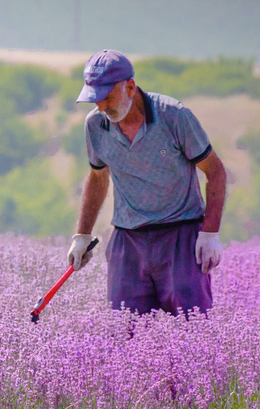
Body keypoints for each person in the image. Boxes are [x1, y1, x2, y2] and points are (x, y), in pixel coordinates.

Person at [67, 49, 227, 315]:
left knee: (192, 329)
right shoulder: (95, 126)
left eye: (107, 98)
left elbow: (216, 171)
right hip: (127, 242)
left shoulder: (174, 117)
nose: (102, 107)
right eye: (95, 101)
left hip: (181, 238)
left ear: (130, 87)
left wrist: (210, 233)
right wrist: (82, 235)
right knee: (125, 333)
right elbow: (97, 177)